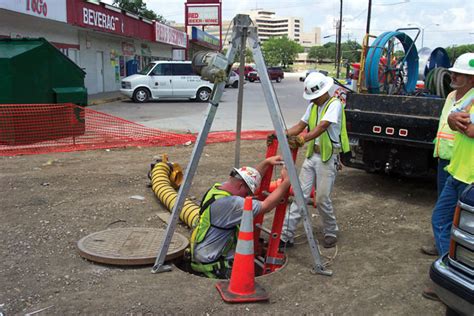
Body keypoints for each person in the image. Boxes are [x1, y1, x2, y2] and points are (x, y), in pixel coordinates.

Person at [423, 52, 474, 301]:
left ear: (471, 79)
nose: (452, 76)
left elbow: (469, 129)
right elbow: (452, 123)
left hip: (469, 176)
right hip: (454, 165)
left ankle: (451, 278)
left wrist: (457, 122)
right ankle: (448, 270)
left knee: (458, 225)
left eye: (459, 74)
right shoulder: (455, 97)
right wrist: (454, 121)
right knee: (443, 219)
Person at [190, 155, 290, 279]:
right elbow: (266, 206)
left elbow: (247, 179)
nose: (246, 196)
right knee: (245, 281)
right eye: (247, 193)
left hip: (202, 253)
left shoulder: (217, 189)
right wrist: (286, 182)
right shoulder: (231, 203)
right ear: (240, 186)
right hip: (212, 262)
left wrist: (266, 162)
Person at [280, 72, 350, 249]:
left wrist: (303, 139)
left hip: (327, 158)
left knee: (322, 198)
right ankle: (285, 234)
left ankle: (331, 231)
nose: (313, 99)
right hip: (312, 156)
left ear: (324, 92)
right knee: (299, 195)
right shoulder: (313, 107)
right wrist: (280, 134)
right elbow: (300, 125)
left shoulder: (335, 104)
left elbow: (322, 126)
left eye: (315, 96)